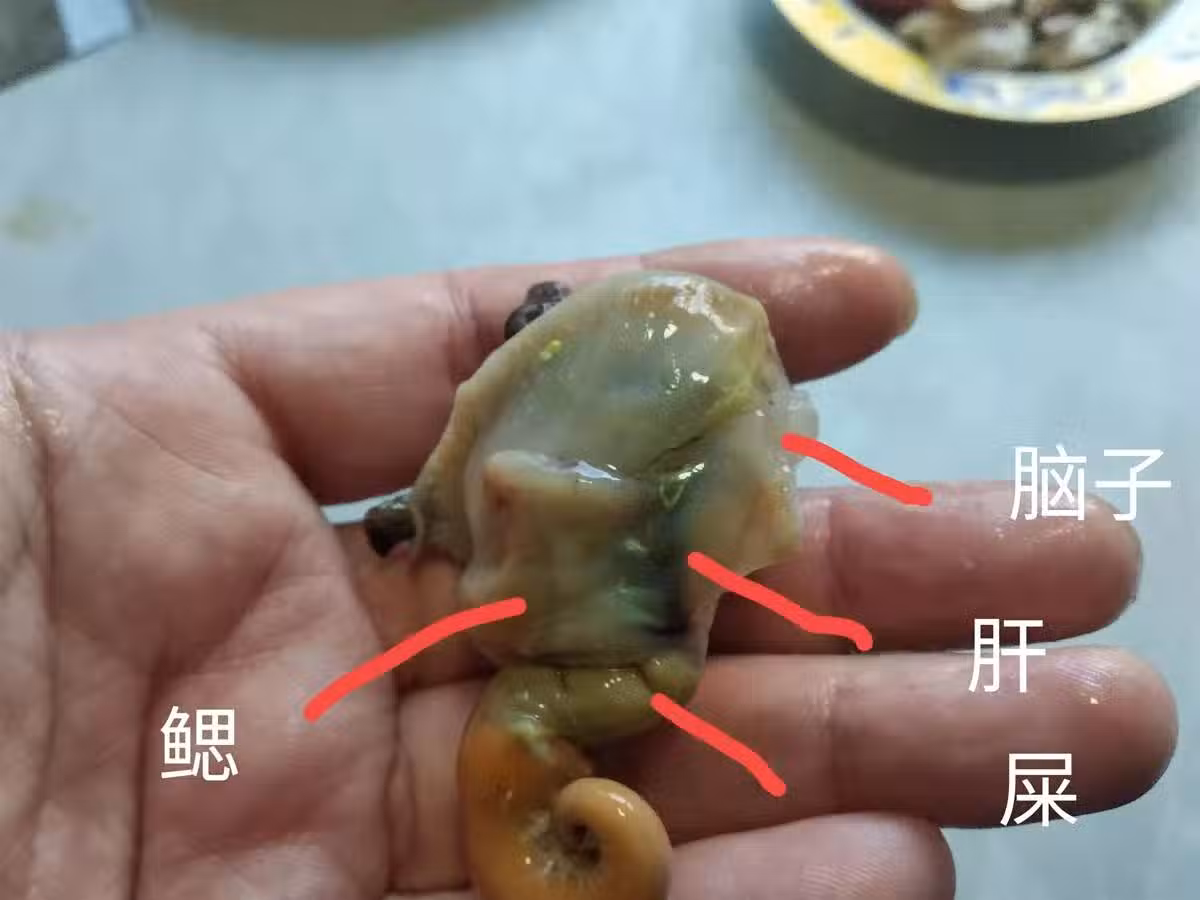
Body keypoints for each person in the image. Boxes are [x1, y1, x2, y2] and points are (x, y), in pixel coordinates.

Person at [0, 238, 1176, 898]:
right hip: (597, 644)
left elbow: (500, 473)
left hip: (589, 637)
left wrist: (435, 507)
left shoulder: (591, 520)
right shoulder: (604, 614)